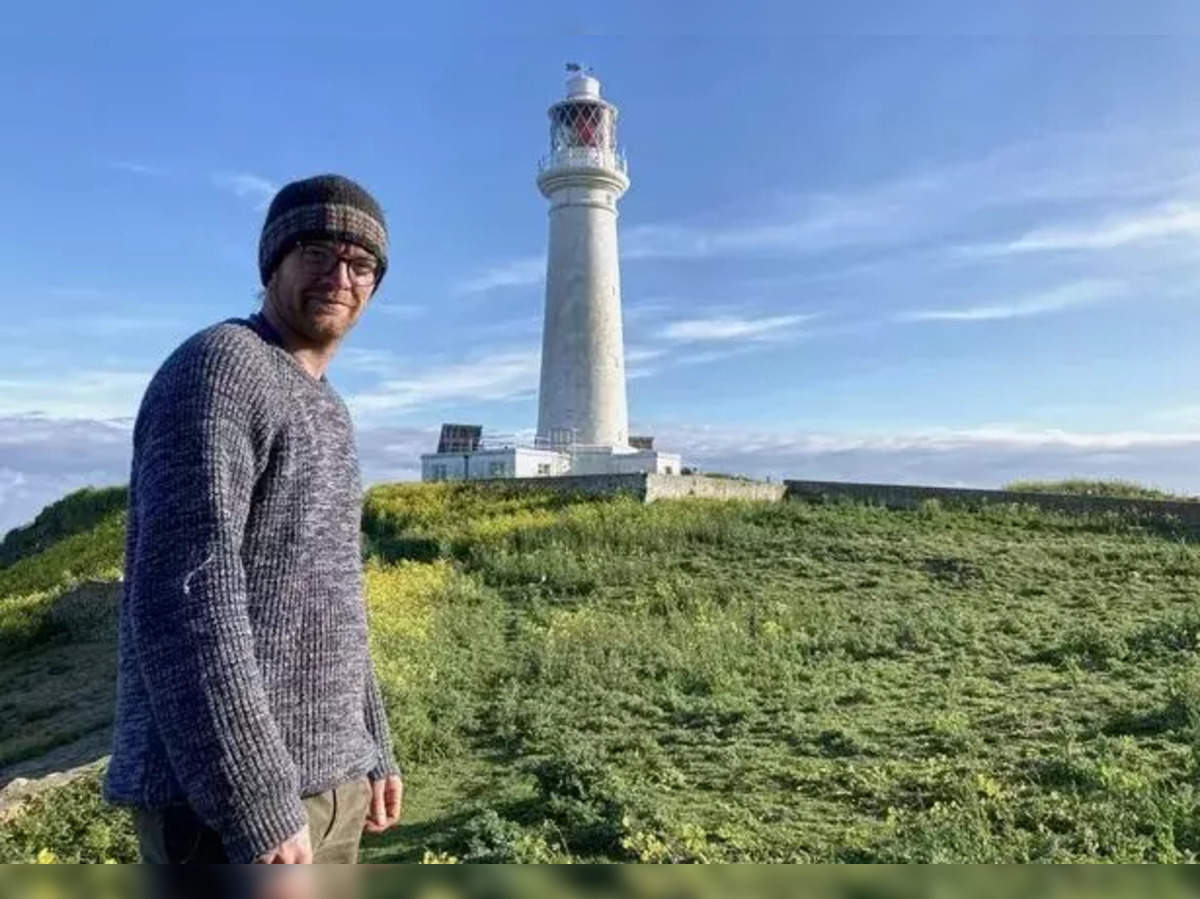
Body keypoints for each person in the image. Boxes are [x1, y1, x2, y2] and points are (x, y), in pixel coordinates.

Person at [103, 174, 404, 864]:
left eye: (362, 264)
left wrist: (372, 743)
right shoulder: (221, 368)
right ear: (273, 261)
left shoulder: (328, 405)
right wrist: (254, 799)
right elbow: (184, 596)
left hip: (332, 787)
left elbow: (333, 596)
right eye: (317, 251)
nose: (340, 275)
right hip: (228, 809)